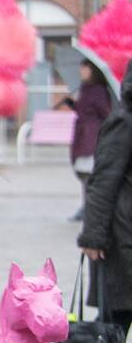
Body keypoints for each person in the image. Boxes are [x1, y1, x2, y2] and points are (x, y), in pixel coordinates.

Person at [77, 65, 132, 343]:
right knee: (119, 304)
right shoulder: (124, 119)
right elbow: (103, 180)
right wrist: (93, 235)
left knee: (122, 303)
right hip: (122, 231)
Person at [63, 60, 112, 222]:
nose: (81, 71)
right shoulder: (85, 89)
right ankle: (87, 206)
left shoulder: (99, 91)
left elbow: (106, 113)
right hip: (82, 137)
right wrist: (71, 103)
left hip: (92, 138)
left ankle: (91, 208)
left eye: (84, 68)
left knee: (89, 174)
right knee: (84, 175)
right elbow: (83, 110)